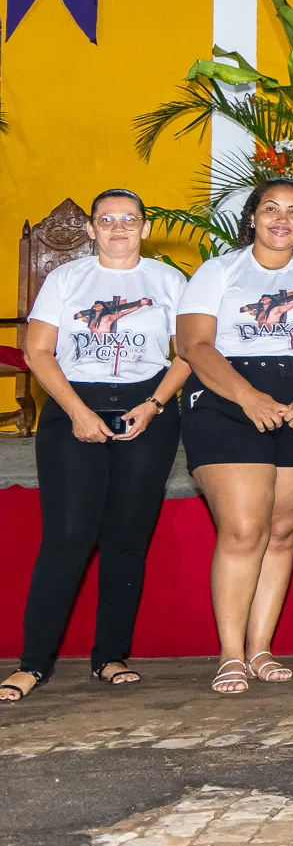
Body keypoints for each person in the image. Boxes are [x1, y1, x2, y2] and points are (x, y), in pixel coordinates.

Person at [3, 190, 189, 703]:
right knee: (66, 537)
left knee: (127, 540)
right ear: (91, 229)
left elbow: (193, 352)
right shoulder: (67, 279)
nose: (118, 228)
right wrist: (77, 413)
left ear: (145, 229)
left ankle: (110, 656)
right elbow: (37, 351)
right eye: (107, 220)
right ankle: (33, 664)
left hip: (145, 410)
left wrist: (153, 405)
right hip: (73, 404)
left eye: (129, 220)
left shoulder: (169, 281)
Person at [175, 178, 293, 693]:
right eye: (271, 208)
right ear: (252, 216)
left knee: (281, 532)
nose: (281, 219)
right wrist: (247, 397)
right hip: (228, 402)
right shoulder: (218, 271)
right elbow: (193, 344)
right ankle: (230, 653)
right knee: (245, 529)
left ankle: (261, 648)